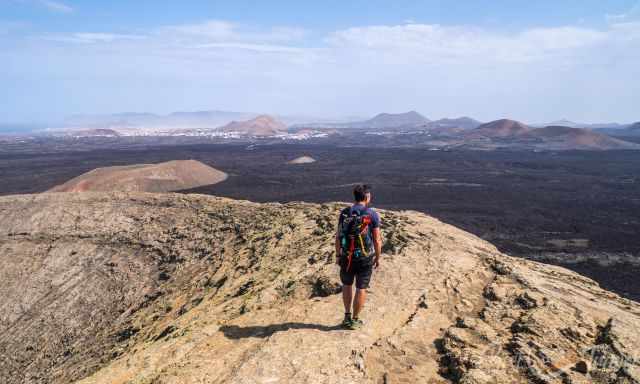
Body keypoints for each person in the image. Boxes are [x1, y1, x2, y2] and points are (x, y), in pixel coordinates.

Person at [335, 184, 382, 330]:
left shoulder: (345, 213)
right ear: (367, 197)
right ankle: (355, 320)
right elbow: (377, 239)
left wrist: (338, 254)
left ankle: (347, 316)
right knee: (361, 288)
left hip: (347, 256)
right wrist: (378, 257)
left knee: (347, 285)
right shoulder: (372, 214)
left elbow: (338, 237)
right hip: (365, 257)